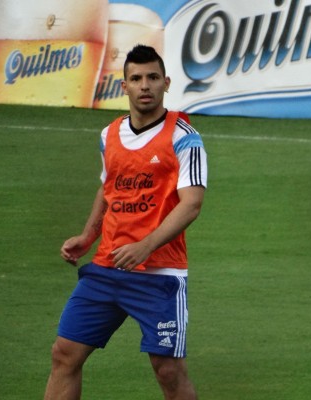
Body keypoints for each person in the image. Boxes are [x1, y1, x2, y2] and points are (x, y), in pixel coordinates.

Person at [44, 44, 207, 400]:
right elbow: (109, 187)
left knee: (167, 369)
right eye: (136, 78)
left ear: (166, 83)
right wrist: (89, 235)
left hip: (159, 275)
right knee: (64, 354)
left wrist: (145, 245)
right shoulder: (109, 135)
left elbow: (191, 204)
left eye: (152, 77)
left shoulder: (184, 138)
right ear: (124, 86)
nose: (144, 85)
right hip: (107, 267)